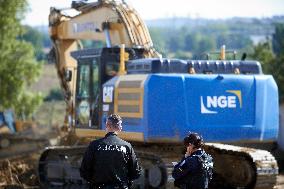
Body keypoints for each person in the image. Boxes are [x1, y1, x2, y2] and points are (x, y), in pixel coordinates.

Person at [80, 114, 141, 189]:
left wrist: (93, 183)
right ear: (119, 128)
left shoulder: (94, 145)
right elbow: (136, 172)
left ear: (107, 126)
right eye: (121, 125)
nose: (121, 127)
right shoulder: (126, 146)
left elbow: (84, 171)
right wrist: (125, 183)